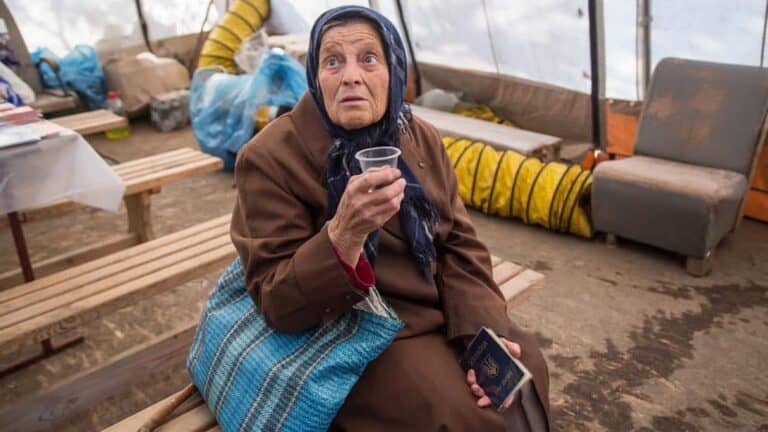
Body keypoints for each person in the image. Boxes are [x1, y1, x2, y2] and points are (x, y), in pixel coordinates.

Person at [231, 5, 549, 431]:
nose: (351, 77)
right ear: (314, 75)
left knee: (522, 369)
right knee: (462, 415)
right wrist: (342, 238)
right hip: (357, 328)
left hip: (440, 304)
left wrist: (478, 334)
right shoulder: (270, 158)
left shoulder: (418, 135)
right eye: (332, 61)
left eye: (368, 58)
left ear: (393, 69)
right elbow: (277, 301)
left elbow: (458, 243)